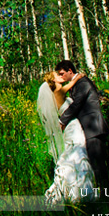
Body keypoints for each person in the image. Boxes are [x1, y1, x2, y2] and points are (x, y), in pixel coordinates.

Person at [37, 70, 95, 204]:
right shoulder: (58, 91)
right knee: (77, 150)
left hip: (73, 126)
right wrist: (76, 78)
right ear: (53, 79)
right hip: (72, 127)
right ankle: (74, 191)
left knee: (76, 153)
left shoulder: (58, 92)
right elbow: (67, 89)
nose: (61, 76)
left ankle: (78, 189)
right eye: (58, 75)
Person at [56, 60, 109, 190]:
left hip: (94, 128)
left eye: (62, 73)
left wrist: (62, 121)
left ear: (70, 71)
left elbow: (77, 103)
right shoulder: (77, 83)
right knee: (94, 162)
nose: (61, 76)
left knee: (98, 163)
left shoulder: (83, 83)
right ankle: (101, 191)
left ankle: (105, 194)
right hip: (88, 128)